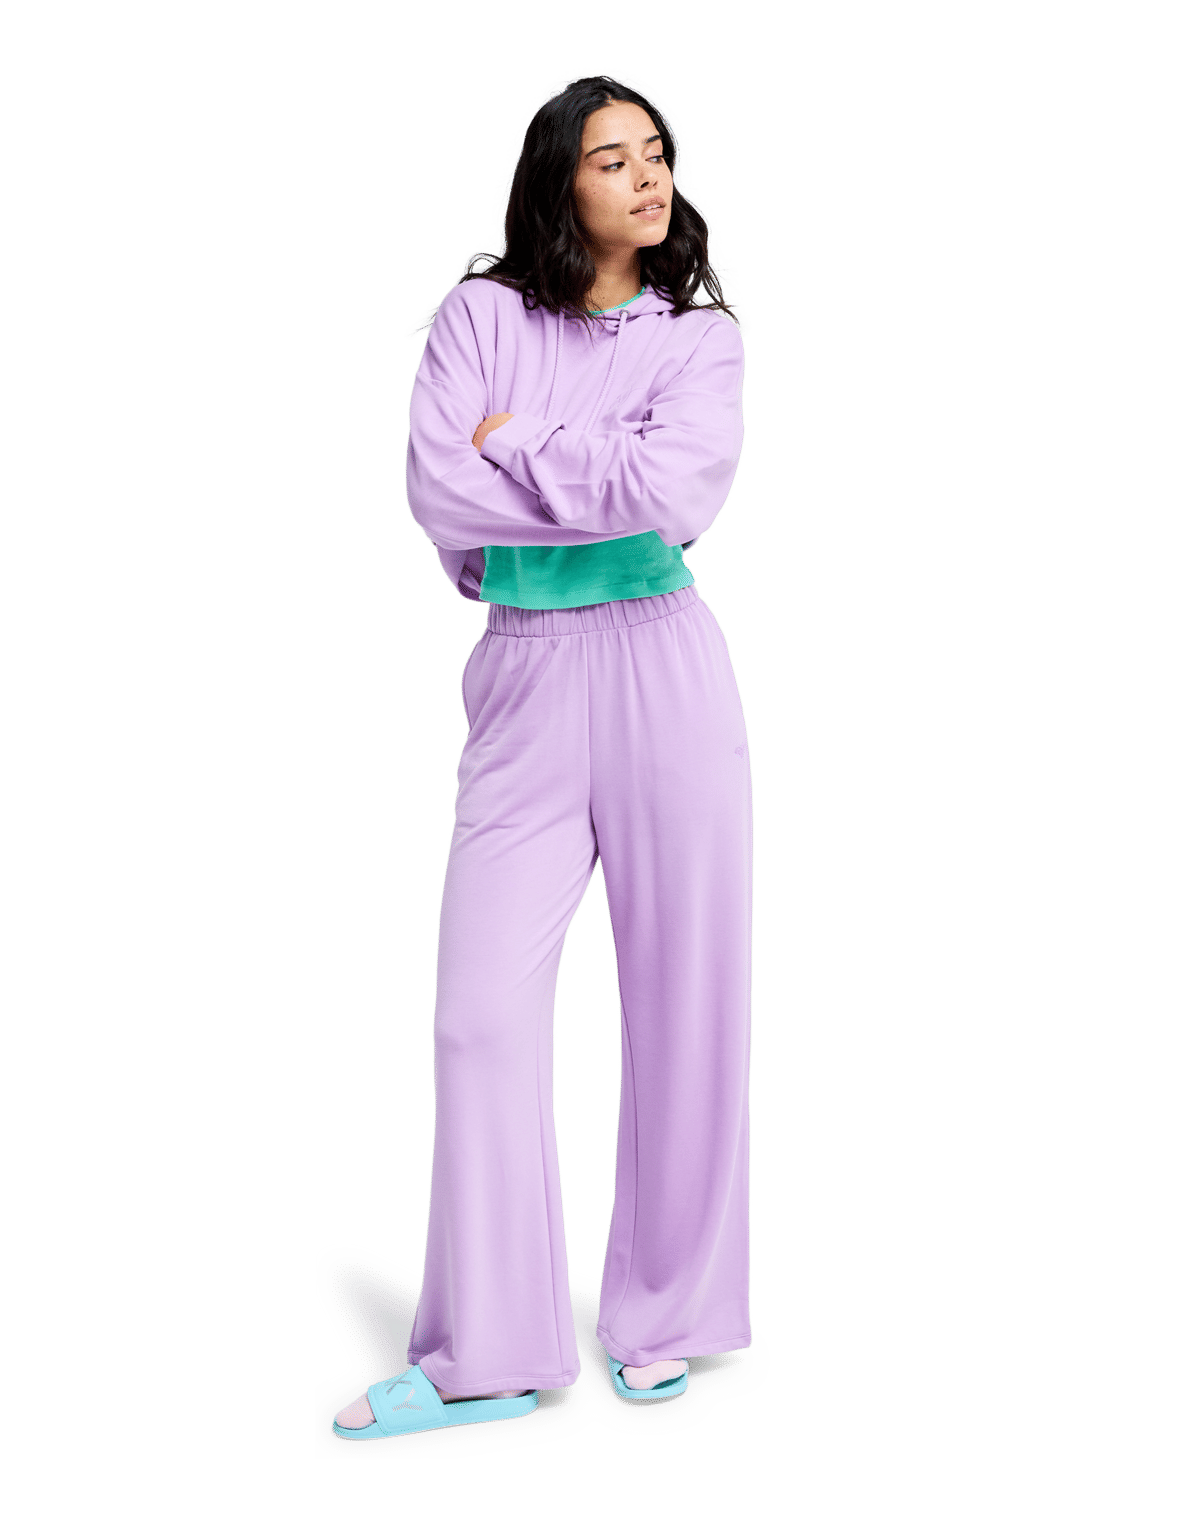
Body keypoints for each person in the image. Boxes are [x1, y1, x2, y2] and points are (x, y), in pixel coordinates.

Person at [334, 72, 754, 1442]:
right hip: (523, 673)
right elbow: (436, 489)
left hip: (664, 668)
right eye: (611, 158)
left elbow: (674, 495)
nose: (647, 177)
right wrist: (584, 469)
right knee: (478, 1011)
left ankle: (671, 1320)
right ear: (557, 182)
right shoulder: (478, 318)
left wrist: (520, 445)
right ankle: (493, 1351)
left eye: (658, 154)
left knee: (687, 997)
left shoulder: (700, 340)